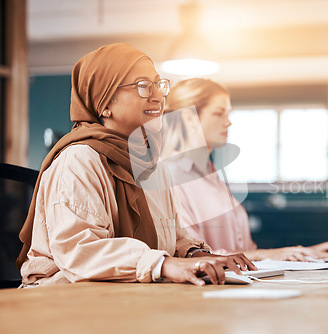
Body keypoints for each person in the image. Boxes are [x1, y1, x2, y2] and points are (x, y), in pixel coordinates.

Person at [16, 43, 256, 287]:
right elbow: (80, 251)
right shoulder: (79, 160)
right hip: (62, 301)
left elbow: (174, 237)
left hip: (124, 298)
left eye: (159, 85)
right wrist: (163, 264)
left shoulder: (154, 166)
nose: (158, 96)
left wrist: (199, 256)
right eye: (143, 86)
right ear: (105, 103)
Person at [161, 78, 328, 261]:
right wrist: (274, 254)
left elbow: (245, 251)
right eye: (219, 113)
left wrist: (307, 252)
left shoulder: (210, 174)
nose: (228, 122)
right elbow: (194, 256)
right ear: (189, 118)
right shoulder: (170, 176)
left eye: (228, 114)